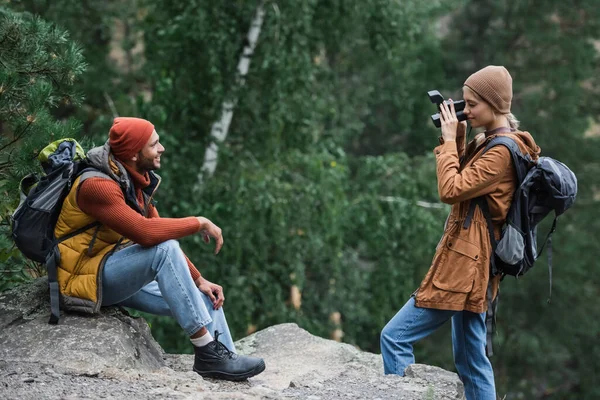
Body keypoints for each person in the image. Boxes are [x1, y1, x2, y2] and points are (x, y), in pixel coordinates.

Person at [53, 117, 265, 381]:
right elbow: (146, 233)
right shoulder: (96, 186)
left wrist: (199, 280)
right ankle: (206, 351)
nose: (162, 148)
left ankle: (224, 360)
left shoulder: (130, 177)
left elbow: (154, 227)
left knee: (208, 298)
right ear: (133, 153)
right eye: (154, 144)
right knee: (165, 247)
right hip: (85, 278)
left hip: (115, 268)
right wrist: (199, 222)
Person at [380, 66, 541, 399]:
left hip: (465, 268)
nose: (465, 111)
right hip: (475, 266)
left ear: (495, 105)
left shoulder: (501, 152)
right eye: (463, 103)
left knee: (394, 338)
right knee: (471, 361)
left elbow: (451, 188)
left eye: (472, 104)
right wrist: (457, 138)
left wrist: (450, 144)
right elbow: (467, 184)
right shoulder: (492, 142)